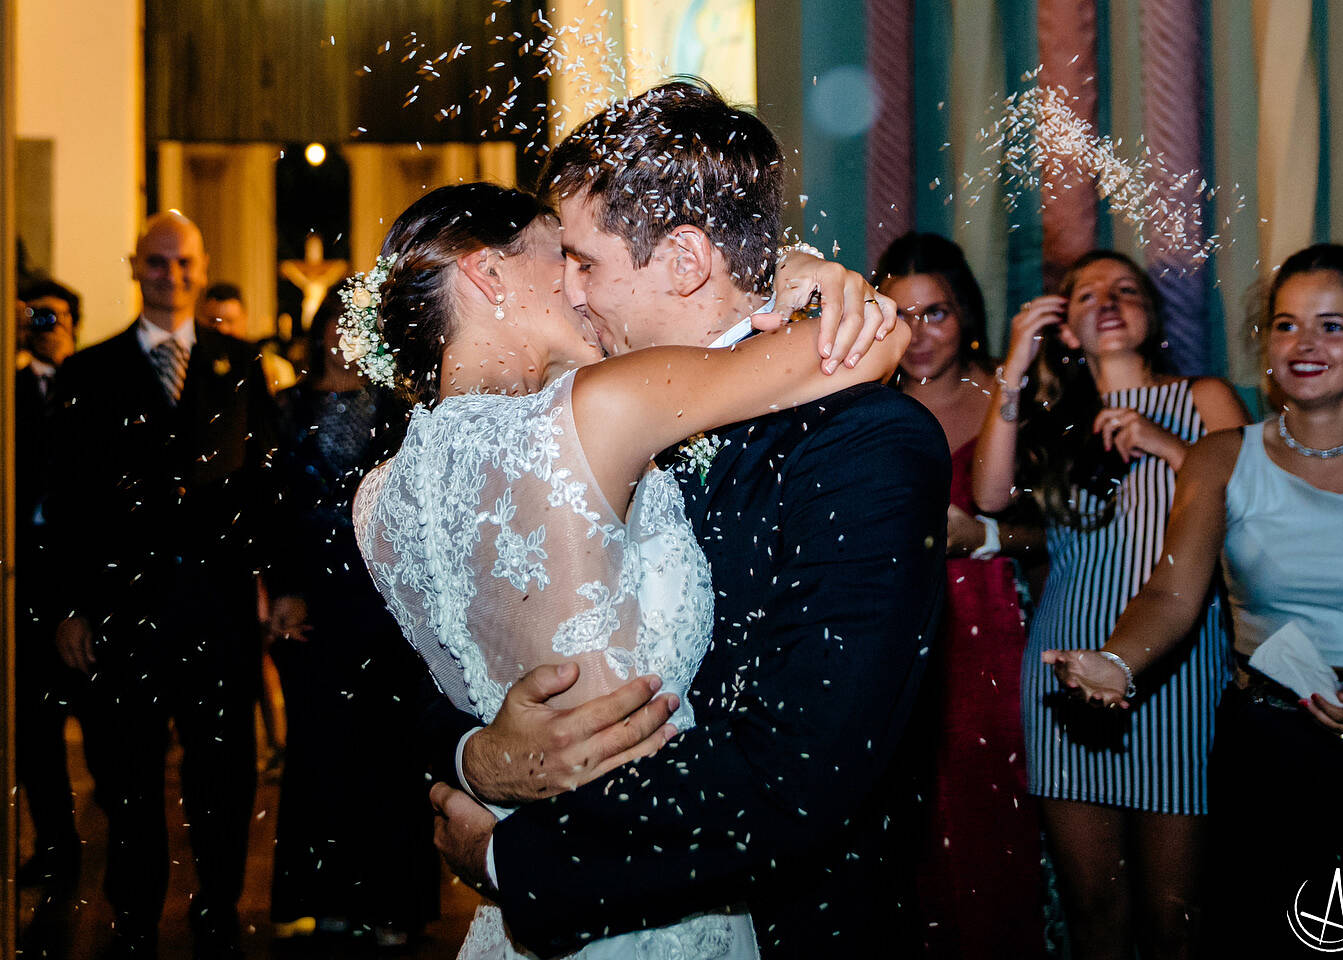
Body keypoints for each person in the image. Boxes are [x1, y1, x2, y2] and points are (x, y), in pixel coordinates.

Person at [373, 80, 949, 959]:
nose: (566, 290)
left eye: (584, 261)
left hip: (787, 927)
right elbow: (447, 658)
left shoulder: (866, 442)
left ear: (683, 261)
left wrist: (517, 859)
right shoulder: (568, 426)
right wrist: (480, 756)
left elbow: (800, 767)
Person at [1048, 243, 1343, 952]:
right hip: (1267, 751)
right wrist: (1117, 661)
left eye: (1331, 325)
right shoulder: (1221, 455)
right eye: (1286, 325)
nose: (1303, 344)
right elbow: (1171, 592)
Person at [972, 250, 1250, 959]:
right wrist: (1014, 366)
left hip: (1176, 672)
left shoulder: (1203, 399)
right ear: (1067, 330)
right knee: (1094, 909)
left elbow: (1257, 507)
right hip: (1062, 670)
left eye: (1126, 290)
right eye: (1086, 293)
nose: (1108, 300)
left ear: (1152, 316)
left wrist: (1166, 445)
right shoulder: (1055, 420)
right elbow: (989, 498)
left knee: (1176, 918)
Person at [49, 211, 280, 959]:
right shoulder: (89, 372)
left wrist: (279, 585)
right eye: (156, 263)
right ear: (135, 266)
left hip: (218, 613)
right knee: (129, 780)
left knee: (223, 777)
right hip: (126, 616)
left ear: (201, 263)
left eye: (183, 264)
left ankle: (216, 906)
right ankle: (134, 915)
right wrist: (69, 608)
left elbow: (264, 487)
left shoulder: (243, 366)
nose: (171, 276)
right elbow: (67, 501)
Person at [873, 232, 1047, 957]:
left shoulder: (1015, 396)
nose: (918, 335)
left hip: (998, 635)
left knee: (993, 822)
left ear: (967, 314)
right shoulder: (864, 408)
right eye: (901, 314)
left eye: (935, 313)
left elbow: (1057, 535)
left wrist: (981, 538)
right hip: (894, 639)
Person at [265, 294, 438, 945]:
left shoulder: (397, 409)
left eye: (351, 328)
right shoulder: (288, 408)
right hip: (312, 600)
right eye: (330, 328)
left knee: (386, 751)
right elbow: (273, 510)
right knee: (319, 750)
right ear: (315, 336)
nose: (340, 339)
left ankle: (390, 903)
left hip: (382, 599)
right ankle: (325, 894)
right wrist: (282, 589)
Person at [14, 281, 83, 901]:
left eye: (56, 317)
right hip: (28, 574)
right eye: (36, 317)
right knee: (37, 728)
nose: (45, 325)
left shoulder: (91, 382)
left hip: (89, 574)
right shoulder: (13, 386)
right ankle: (56, 847)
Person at [200, 281, 298, 392]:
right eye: (214, 321)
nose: (222, 329)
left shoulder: (276, 368)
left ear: (244, 319)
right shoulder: (194, 364)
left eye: (229, 321)